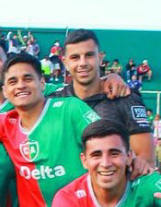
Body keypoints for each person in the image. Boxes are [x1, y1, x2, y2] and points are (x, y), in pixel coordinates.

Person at [0, 53, 100, 207]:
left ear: (42, 83)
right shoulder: (5, 124)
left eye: (27, 78)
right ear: (5, 91)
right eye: (13, 81)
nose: (20, 85)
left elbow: (107, 140)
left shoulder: (70, 109)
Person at [50, 30, 154, 165]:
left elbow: (146, 159)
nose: (83, 63)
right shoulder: (53, 102)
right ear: (65, 62)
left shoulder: (125, 98)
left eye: (89, 55)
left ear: (100, 58)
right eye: (75, 57)